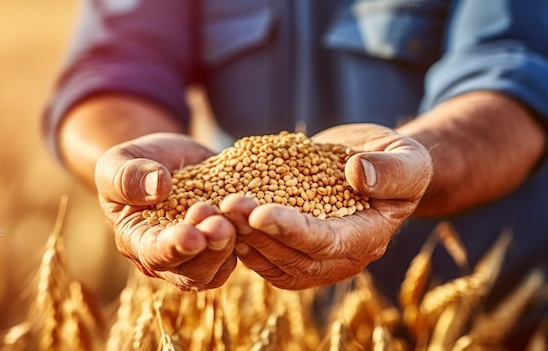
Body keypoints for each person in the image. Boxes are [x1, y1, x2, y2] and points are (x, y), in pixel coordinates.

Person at [43, 0, 548, 345]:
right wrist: (146, 176)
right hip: (269, 323)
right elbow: (113, 70)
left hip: (482, 322)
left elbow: (518, 71)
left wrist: (414, 164)